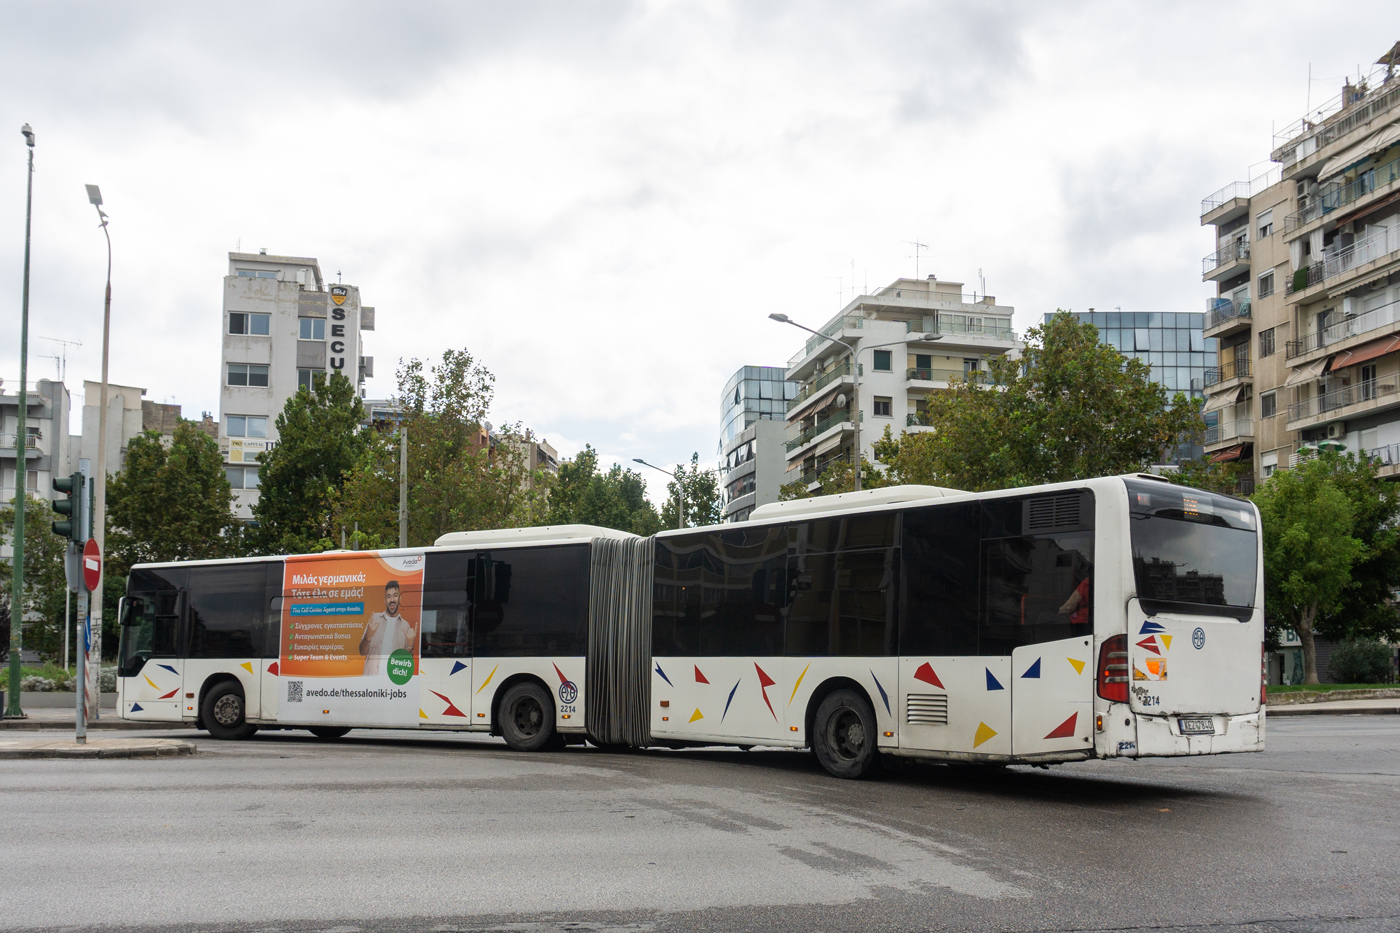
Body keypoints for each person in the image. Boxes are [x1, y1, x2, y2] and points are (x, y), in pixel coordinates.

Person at [358, 580, 414, 676]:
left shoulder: (405, 626)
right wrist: (368, 636)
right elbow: (362, 652)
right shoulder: (374, 619)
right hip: (371, 680)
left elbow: (406, 665)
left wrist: (410, 646)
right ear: (385, 600)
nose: (392, 600)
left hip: (392, 682)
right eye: (388, 596)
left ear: (400, 598)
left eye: (395, 595)